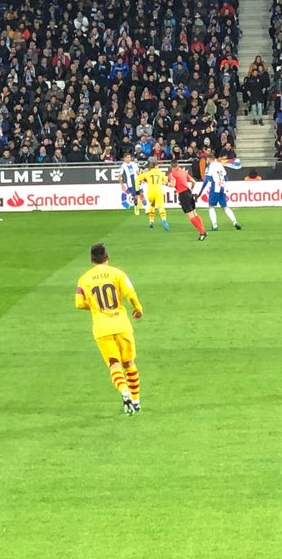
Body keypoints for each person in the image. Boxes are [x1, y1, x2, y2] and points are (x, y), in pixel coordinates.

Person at [75, 242, 143, 416]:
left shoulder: (84, 279)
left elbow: (79, 303)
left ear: (92, 260)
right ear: (107, 257)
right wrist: (138, 308)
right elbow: (130, 294)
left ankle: (123, 389)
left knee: (114, 364)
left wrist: (95, 306)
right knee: (129, 363)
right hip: (121, 324)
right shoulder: (118, 274)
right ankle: (135, 401)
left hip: (101, 328)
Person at [197, 153, 242, 231]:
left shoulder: (209, 167)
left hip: (215, 187)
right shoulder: (220, 165)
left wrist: (200, 191)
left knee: (211, 206)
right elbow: (226, 177)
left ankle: (214, 226)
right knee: (225, 207)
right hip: (222, 187)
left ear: (209, 159)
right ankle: (235, 222)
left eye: (207, 160)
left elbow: (206, 180)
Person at [168, 158, 208, 240]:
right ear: (178, 165)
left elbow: (173, 184)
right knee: (194, 213)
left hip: (183, 194)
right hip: (189, 192)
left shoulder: (172, 174)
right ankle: (203, 230)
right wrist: (192, 187)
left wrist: (166, 183)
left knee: (190, 215)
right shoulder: (184, 172)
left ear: (171, 166)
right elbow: (193, 181)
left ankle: (202, 233)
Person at [136, 159, 170, 230]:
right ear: (155, 166)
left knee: (152, 206)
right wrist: (164, 182)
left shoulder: (147, 173)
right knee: (160, 207)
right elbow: (166, 180)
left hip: (150, 192)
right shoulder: (160, 172)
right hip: (158, 191)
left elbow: (137, 179)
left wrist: (137, 190)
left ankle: (151, 222)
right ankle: (163, 219)